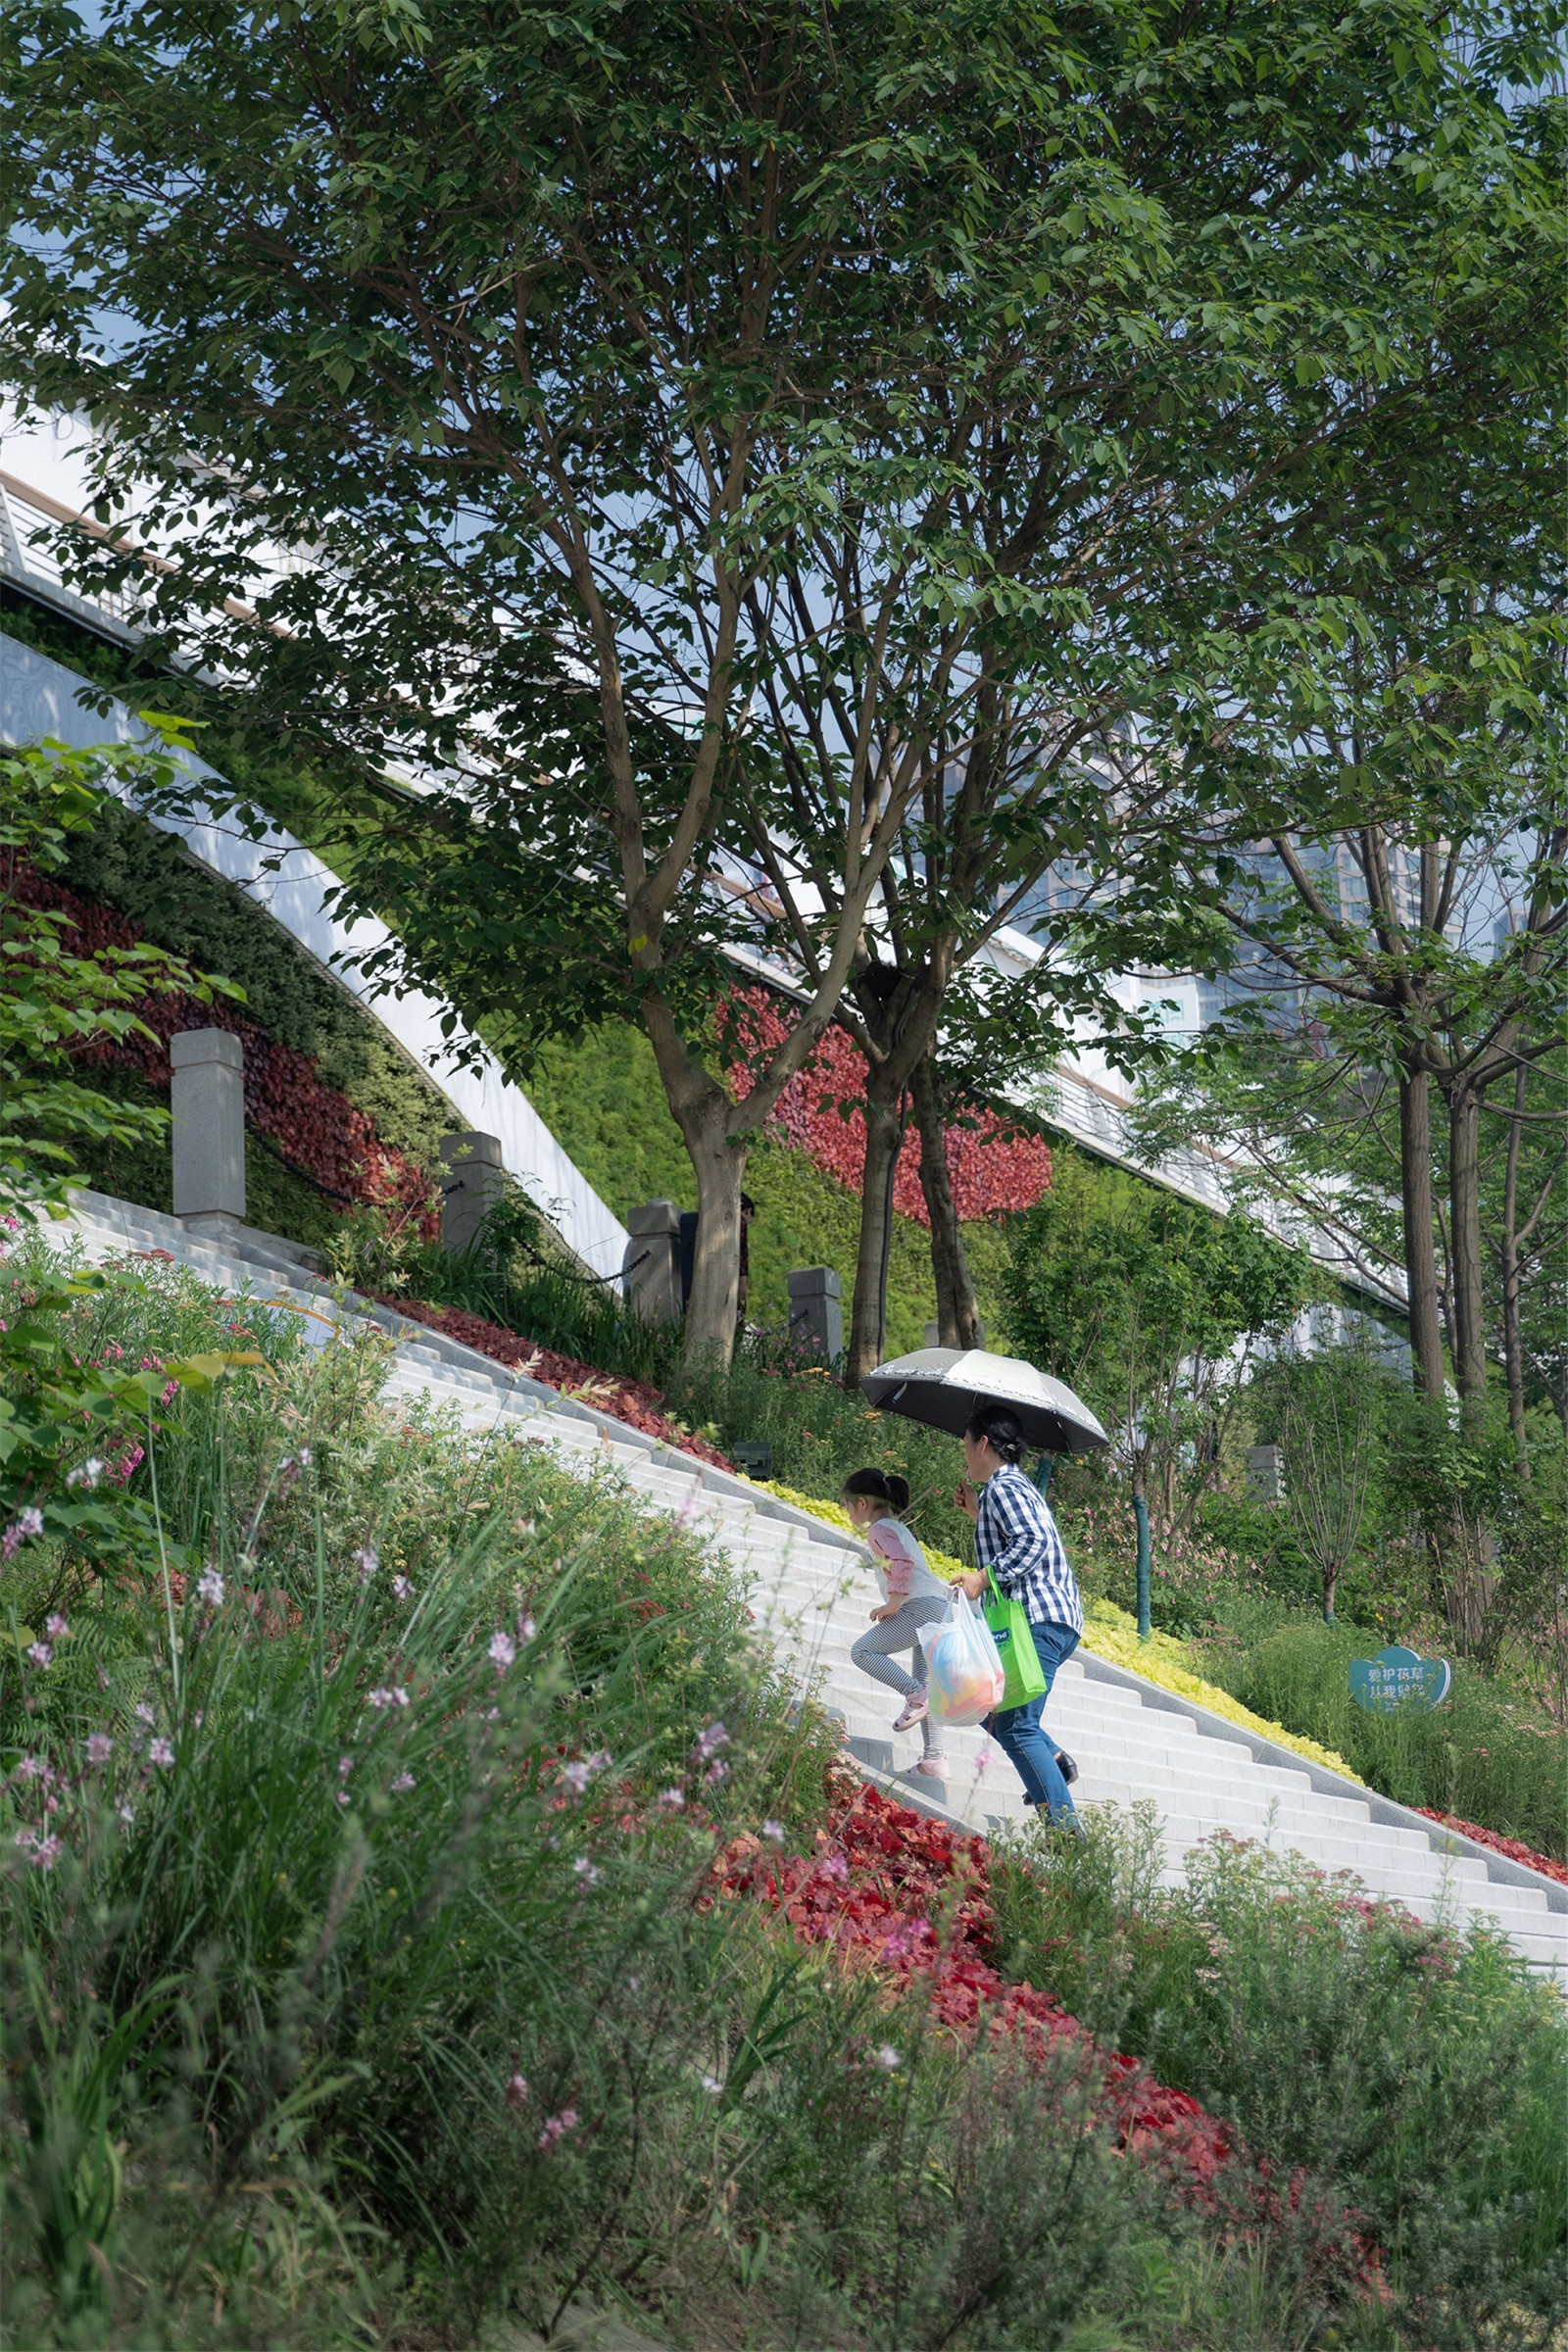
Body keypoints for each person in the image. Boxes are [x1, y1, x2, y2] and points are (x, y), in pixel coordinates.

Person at [954, 1403, 1081, 1825]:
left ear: (984, 1443)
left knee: (1016, 1726)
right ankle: (1055, 1761)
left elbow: (1034, 1541)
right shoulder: (1006, 1488)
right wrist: (977, 1513)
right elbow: (1019, 1535)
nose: (966, 1453)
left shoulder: (1005, 1487)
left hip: (1037, 1619)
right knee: (993, 1711)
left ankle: (1067, 1837)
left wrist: (982, 1578)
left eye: (967, 1444)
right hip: (1047, 1619)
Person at [842, 1469, 951, 1780]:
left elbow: (901, 1563)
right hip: (938, 1607)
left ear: (862, 1503)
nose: (847, 1514)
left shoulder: (878, 1530)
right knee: (925, 1683)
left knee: (863, 1652)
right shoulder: (895, 1527)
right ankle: (935, 1760)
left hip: (921, 1607)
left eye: (847, 1506)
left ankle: (917, 1696)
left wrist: (894, 1602)